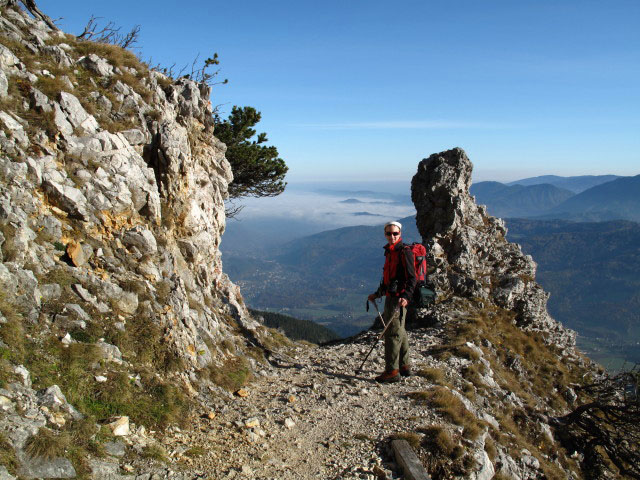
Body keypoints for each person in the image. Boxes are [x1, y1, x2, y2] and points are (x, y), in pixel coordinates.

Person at [367, 221, 416, 383]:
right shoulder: (390, 252)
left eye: (395, 233)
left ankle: (392, 371)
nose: (392, 236)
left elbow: (412, 278)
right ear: (385, 234)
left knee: (392, 334)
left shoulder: (404, 252)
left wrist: (406, 297)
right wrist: (378, 293)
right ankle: (404, 366)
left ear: (400, 234)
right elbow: (389, 279)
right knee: (399, 331)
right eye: (389, 233)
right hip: (391, 296)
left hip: (398, 299)